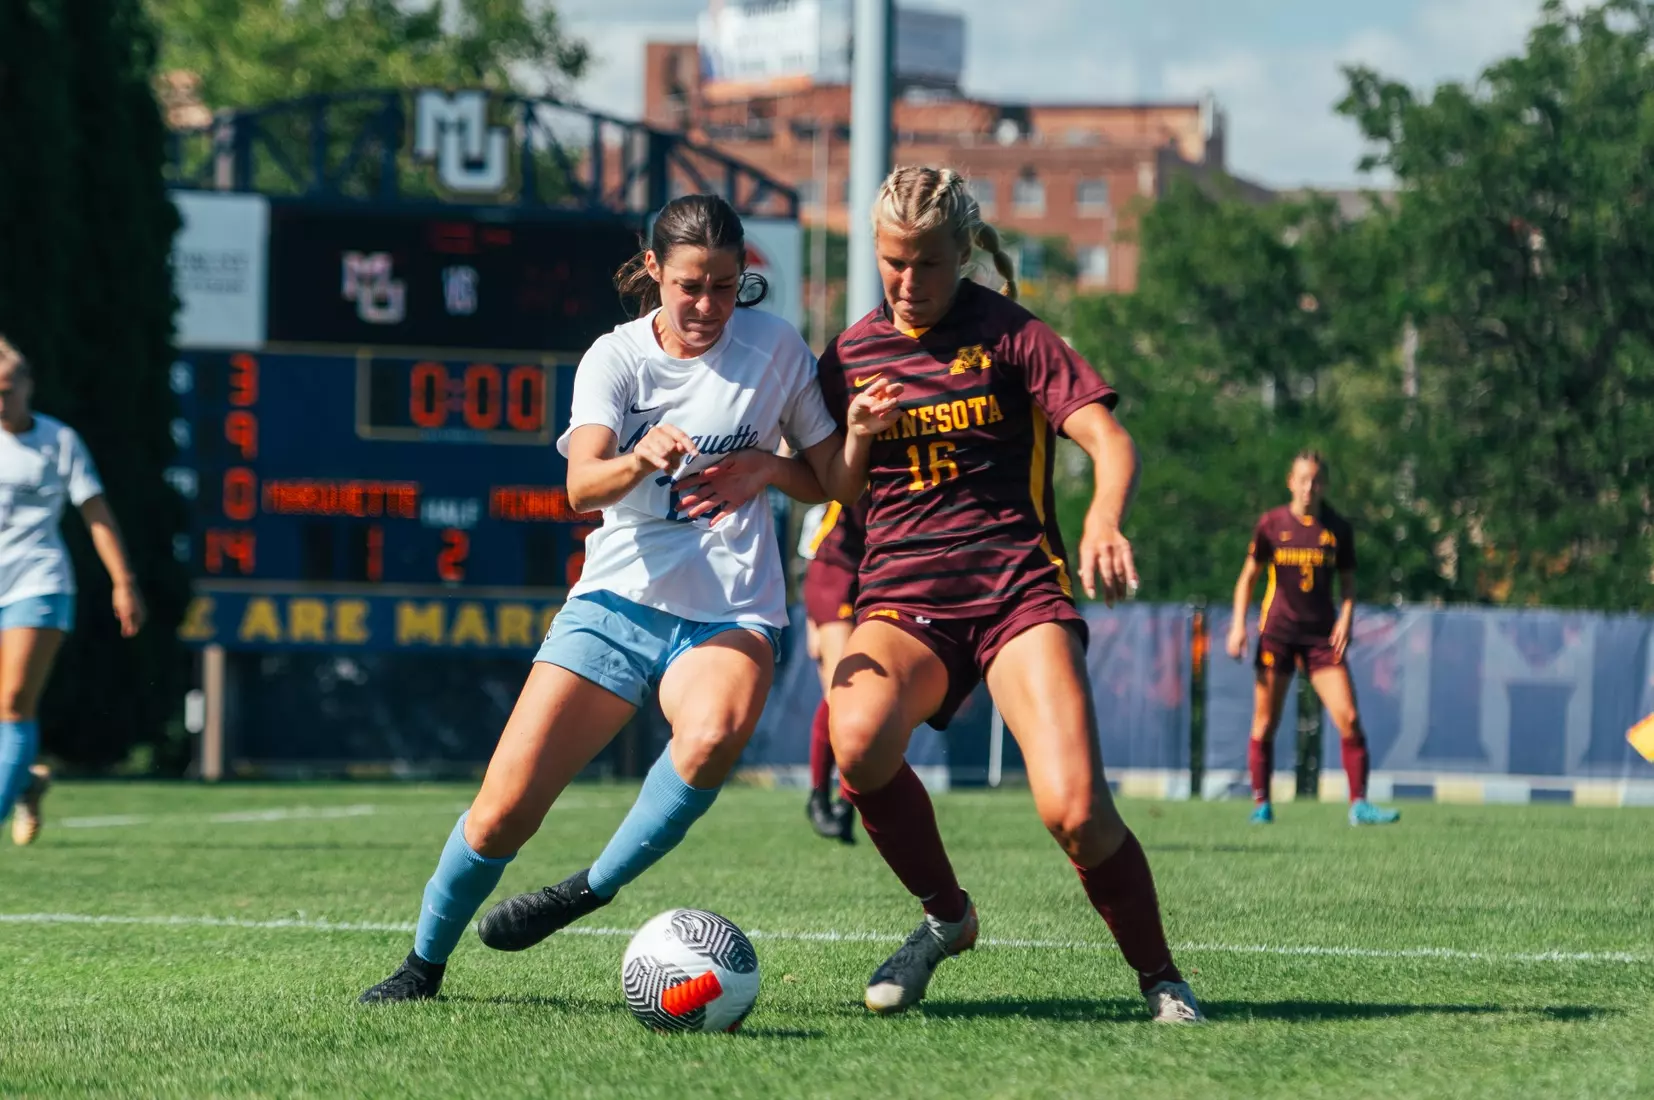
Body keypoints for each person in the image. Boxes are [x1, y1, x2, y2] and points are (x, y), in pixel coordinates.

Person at [359, 195, 901, 1003]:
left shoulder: (776, 347)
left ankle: (589, 890)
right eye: (690, 285)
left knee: (713, 731)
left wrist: (784, 461)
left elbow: (837, 484)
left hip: (729, 607)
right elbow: (582, 486)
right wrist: (643, 456)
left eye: (726, 285)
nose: (709, 305)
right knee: (503, 812)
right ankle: (422, 967)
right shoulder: (613, 359)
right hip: (616, 601)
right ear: (654, 271)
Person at [816, 167, 1201, 1023]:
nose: (905, 282)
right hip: (902, 598)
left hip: (1018, 592)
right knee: (857, 740)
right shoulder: (846, 355)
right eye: (890, 263)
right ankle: (948, 917)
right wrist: (848, 438)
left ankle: (1161, 977)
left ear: (965, 255)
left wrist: (1104, 517)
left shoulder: (1013, 334)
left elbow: (1108, 437)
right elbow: (833, 490)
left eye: (925, 264)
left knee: (1073, 810)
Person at [0, 337, 146, 847]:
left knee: (14, 700)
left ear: (27, 386)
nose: (1, 401)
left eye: (6, 390)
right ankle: (29, 781)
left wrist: (123, 583)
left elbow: (96, 514)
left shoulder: (59, 442)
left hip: (38, 581)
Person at [1224, 450, 1401, 827]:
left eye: (1316, 480)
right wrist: (1238, 625)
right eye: (1303, 479)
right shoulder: (1271, 524)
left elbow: (1349, 585)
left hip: (1321, 638)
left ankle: (1359, 805)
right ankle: (1262, 804)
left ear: (1325, 484)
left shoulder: (1337, 528)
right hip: (1278, 635)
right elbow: (1248, 579)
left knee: (1349, 718)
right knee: (1265, 722)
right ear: (1291, 482)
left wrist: (1347, 618)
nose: (1309, 487)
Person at [796, 497, 868, 842]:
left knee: (869, 702)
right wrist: (813, 621)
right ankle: (822, 796)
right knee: (842, 696)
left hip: (874, 580)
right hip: (837, 575)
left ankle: (845, 801)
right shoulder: (846, 458)